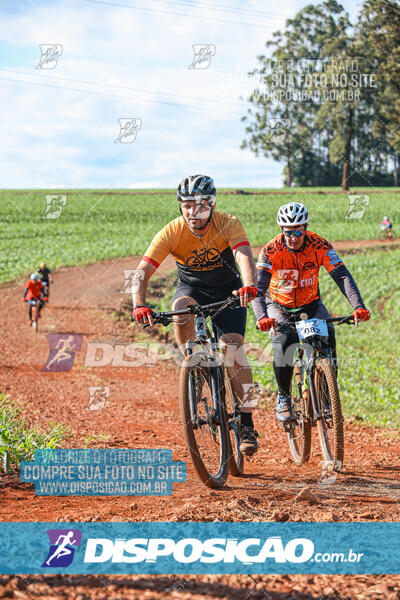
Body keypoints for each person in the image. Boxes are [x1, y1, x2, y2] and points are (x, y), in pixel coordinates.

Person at [132, 174, 259, 455]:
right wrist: (139, 304)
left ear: (211, 205)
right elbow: (142, 271)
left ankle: (247, 423)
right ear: (181, 206)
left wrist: (249, 286)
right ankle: (190, 363)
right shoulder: (172, 231)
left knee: (233, 350)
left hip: (229, 292)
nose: (193, 211)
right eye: (187, 205)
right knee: (181, 307)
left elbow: (243, 256)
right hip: (192, 290)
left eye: (200, 205)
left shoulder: (228, 223)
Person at [252, 202, 371, 424]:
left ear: (305, 228)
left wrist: (358, 306)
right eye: (288, 232)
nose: (293, 237)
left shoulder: (320, 245)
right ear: (281, 230)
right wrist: (261, 317)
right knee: (285, 341)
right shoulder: (271, 250)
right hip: (279, 305)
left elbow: (342, 275)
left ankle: (328, 400)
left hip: (310, 304)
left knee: (328, 336)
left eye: (298, 231)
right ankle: (284, 397)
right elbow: (258, 288)